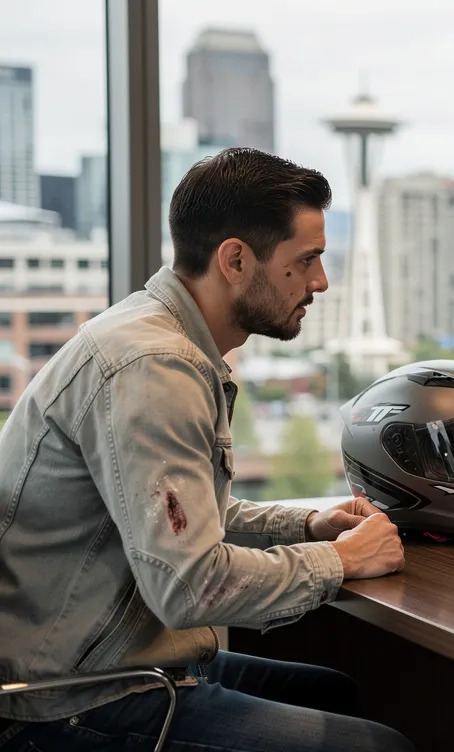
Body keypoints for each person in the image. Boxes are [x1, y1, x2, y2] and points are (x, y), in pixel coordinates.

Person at [0, 148, 414, 751]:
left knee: (333, 694)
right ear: (236, 260)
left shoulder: (159, 338)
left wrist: (309, 525)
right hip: (67, 699)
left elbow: (185, 520)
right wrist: (341, 561)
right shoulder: (154, 367)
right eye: (307, 260)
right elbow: (190, 584)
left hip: (109, 661)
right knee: (378, 749)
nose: (321, 282)